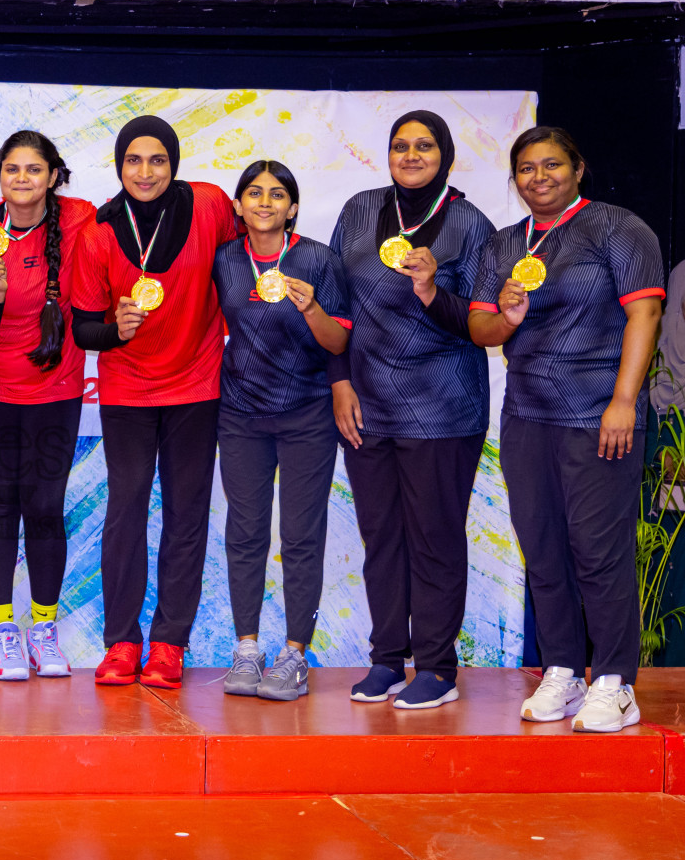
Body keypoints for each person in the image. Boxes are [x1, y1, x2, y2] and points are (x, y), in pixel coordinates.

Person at [468, 126, 663, 732]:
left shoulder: (616, 227)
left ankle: (614, 683)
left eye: (552, 165)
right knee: (543, 549)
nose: (539, 177)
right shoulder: (505, 245)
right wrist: (507, 315)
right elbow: (481, 332)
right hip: (527, 417)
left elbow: (645, 311)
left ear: (578, 168)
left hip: (598, 415)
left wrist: (623, 400)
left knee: (598, 551)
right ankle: (562, 672)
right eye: (526, 168)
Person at [330, 110, 493, 710]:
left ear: (445, 155)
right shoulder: (358, 209)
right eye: (401, 145)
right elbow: (336, 306)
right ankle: (385, 660)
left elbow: (479, 323)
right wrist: (340, 382)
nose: (411, 154)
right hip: (366, 405)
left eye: (424, 146)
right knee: (382, 538)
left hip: (443, 408)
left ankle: (438, 668)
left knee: (435, 537)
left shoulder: (470, 224)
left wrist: (431, 289)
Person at [70, 115, 238, 688]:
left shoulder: (212, 205)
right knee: (125, 514)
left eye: (157, 160)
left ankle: (170, 642)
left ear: (174, 162)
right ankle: (121, 640)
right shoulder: (97, 233)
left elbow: (244, 269)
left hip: (196, 384)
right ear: (120, 166)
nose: (145, 172)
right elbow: (84, 330)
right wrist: (114, 327)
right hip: (129, 390)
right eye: (133, 161)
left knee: (187, 515)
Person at [0, 131, 94, 680]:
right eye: (11, 169)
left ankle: (44, 627)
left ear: (54, 176)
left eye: (33, 169)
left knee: (44, 507)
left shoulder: (82, 219)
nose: (21, 179)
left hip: (55, 390)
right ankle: (2, 633)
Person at [212, 160, 349, 702]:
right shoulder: (225, 259)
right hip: (241, 414)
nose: (264, 202)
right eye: (253, 193)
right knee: (243, 534)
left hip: (307, 414)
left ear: (292, 207)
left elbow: (338, 343)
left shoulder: (319, 259)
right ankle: (247, 648)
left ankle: (295, 653)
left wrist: (312, 306)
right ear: (239, 206)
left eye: (277, 194)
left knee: (300, 538)